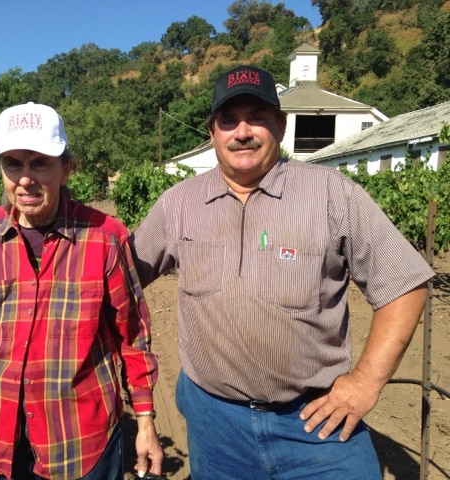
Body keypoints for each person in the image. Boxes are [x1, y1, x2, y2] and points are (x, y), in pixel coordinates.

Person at [130, 65, 435, 479]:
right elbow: (120, 276)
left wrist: (364, 383)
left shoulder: (331, 194)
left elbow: (404, 284)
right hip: (215, 423)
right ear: (212, 131)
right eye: (228, 120)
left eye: (256, 117)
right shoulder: (178, 204)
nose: (242, 131)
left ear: (280, 123)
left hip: (314, 422)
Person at [0, 102, 163, 480]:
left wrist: (145, 421)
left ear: (65, 168)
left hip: (78, 440)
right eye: (13, 164)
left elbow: (133, 336)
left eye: (39, 163)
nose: (25, 179)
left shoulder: (104, 238)